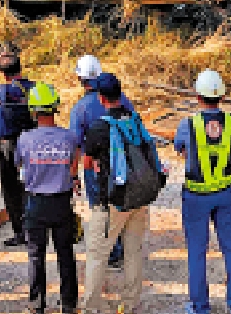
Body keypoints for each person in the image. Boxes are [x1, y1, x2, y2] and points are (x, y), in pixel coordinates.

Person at [80, 74, 157, 314]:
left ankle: (92, 307)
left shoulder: (100, 127)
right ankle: (130, 303)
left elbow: (87, 162)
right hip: (139, 196)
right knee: (133, 252)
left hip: (112, 201)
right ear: (120, 94)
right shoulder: (135, 119)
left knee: (97, 254)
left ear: (101, 98)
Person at [172, 70, 231, 314]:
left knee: (197, 252)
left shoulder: (187, 124)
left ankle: (200, 306)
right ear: (222, 96)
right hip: (226, 193)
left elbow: (181, 149)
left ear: (197, 96)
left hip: (196, 195)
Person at [15, 83, 80, 314]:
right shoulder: (70, 137)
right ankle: (69, 304)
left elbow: (19, 166)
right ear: (55, 108)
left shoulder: (25, 139)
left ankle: (37, 305)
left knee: (36, 256)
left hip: (36, 203)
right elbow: (73, 168)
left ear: (33, 111)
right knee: (65, 254)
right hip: (62, 203)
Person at [68, 55, 134, 268]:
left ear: (81, 79)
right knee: (120, 203)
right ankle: (123, 246)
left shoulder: (80, 109)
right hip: (123, 163)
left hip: (96, 167)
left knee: (101, 209)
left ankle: (112, 252)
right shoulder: (122, 100)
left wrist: (73, 175)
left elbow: (75, 147)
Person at [0, 51, 35, 246]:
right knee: (30, 185)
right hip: (31, 141)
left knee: (11, 189)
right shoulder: (35, 88)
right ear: (20, 68)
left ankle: (20, 232)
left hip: (9, 145)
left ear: (3, 73)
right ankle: (34, 229)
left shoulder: (3, 91)